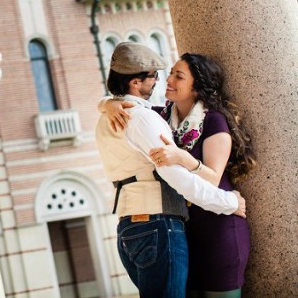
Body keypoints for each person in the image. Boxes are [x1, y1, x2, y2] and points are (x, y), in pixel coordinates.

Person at [95, 42, 246, 298]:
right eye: (154, 75)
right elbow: (176, 177)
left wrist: (107, 104)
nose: (160, 81)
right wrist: (230, 202)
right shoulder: (145, 117)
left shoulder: (112, 117)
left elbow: (211, 175)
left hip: (134, 227)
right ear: (135, 82)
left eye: (178, 75)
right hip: (157, 225)